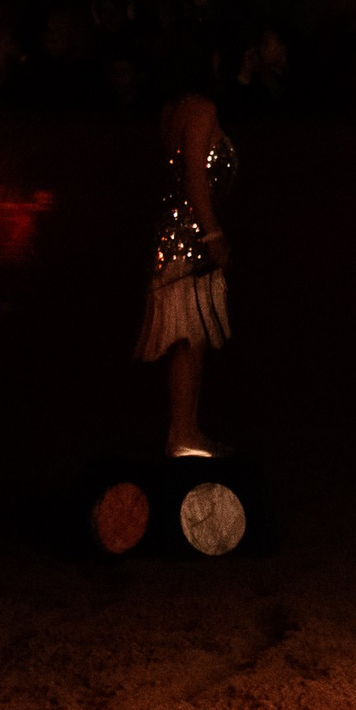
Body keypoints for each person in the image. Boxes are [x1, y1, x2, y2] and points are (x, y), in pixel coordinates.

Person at [138, 38, 235, 457]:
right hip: (190, 237)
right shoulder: (201, 110)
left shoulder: (170, 111)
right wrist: (212, 235)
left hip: (173, 233)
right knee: (187, 337)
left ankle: (185, 429)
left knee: (187, 336)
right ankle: (183, 432)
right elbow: (195, 176)